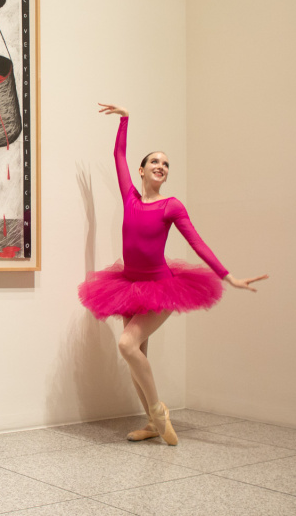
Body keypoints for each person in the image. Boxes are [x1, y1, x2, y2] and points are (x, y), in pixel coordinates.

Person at [79, 104, 267, 445]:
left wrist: (229, 276)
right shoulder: (130, 197)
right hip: (127, 286)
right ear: (141, 170)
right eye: (155, 161)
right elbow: (118, 154)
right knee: (138, 356)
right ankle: (152, 424)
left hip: (161, 287)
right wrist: (125, 119)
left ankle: (158, 411)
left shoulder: (172, 206)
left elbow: (197, 243)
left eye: (166, 164)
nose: (161, 166)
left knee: (126, 344)